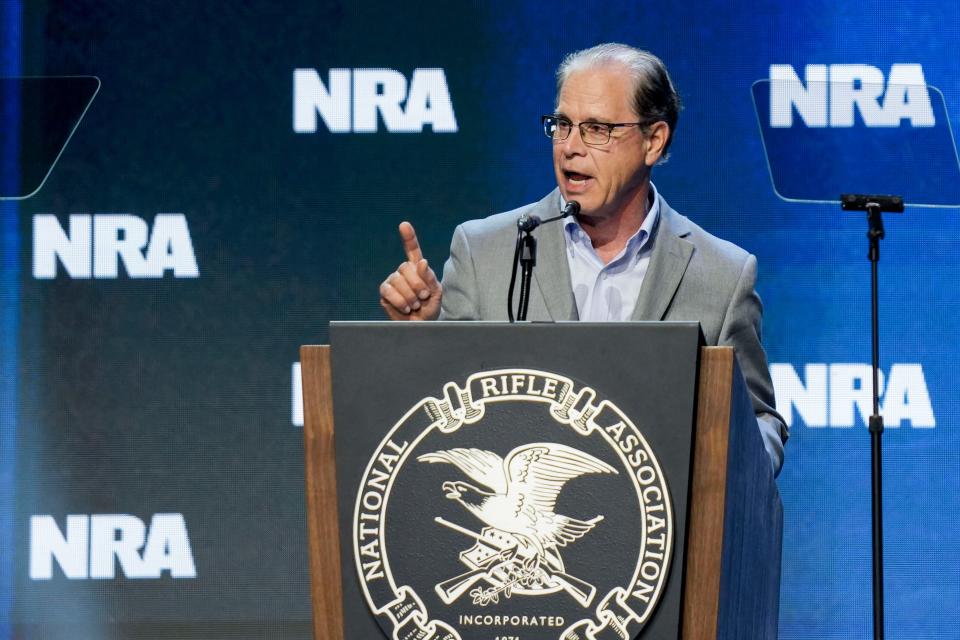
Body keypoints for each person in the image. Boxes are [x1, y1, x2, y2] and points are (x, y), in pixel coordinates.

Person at [378, 43, 786, 475]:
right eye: (562, 125)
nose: (569, 147)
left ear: (653, 140)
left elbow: (760, 421)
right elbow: (449, 405)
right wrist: (422, 338)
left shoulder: (722, 275)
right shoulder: (484, 252)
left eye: (596, 129)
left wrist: (730, 463)